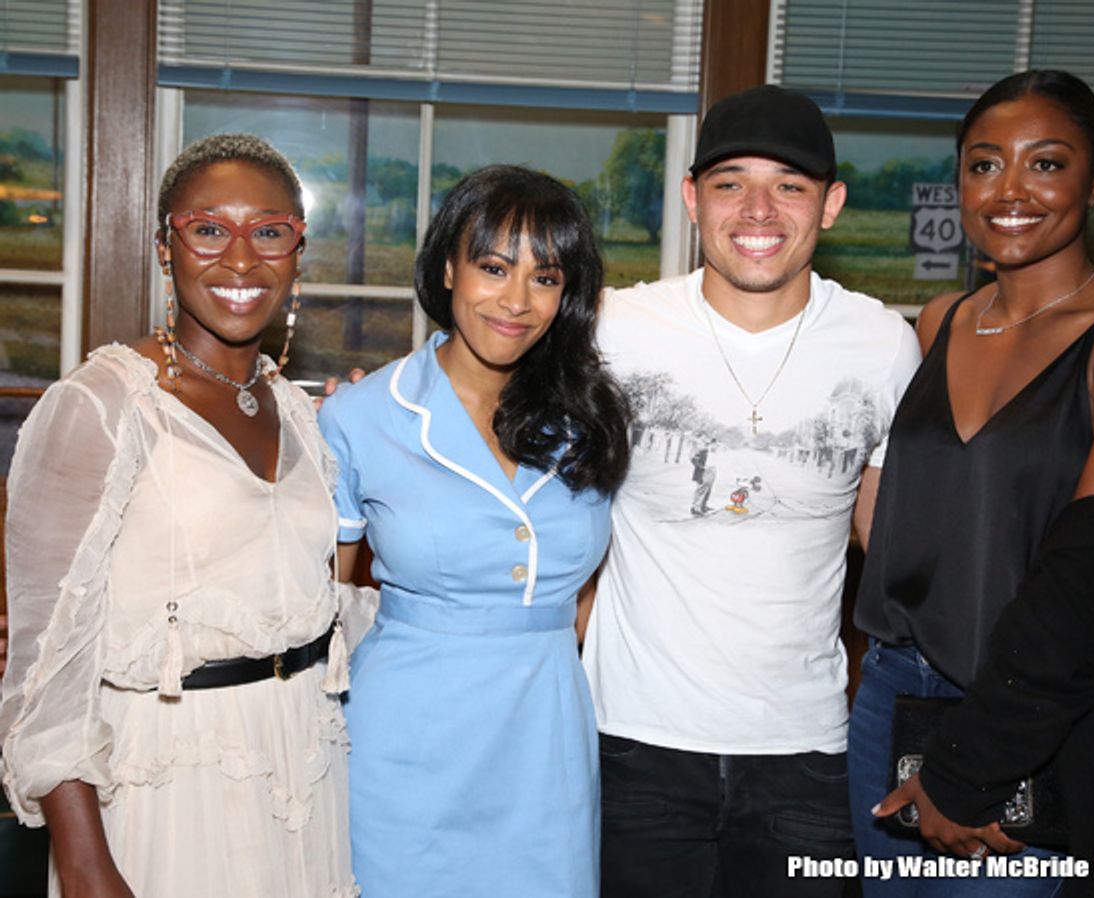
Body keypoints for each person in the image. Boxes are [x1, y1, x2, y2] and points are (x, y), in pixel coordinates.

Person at [850, 70, 1094, 897]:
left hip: (1033, 721)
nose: (1010, 191)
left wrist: (966, 769)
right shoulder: (939, 322)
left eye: (1045, 164)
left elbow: (1084, 584)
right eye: (983, 165)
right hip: (889, 699)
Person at [580, 84, 922, 897]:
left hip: (806, 754)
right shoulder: (611, 331)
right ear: (692, 198)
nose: (758, 209)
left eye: (790, 186)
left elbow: (897, 541)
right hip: (630, 743)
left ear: (830, 204)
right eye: (731, 183)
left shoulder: (884, 345)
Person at [0, 134, 361, 898]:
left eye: (269, 232)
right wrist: (90, 868)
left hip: (301, 763)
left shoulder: (294, 410)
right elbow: (43, 670)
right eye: (208, 229)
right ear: (167, 246)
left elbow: (312, 596)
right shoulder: (101, 405)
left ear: (298, 251)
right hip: (163, 783)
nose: (240, 259)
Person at [318, 165, 630, 898]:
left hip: (545, 742)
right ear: (449, 268)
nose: (516, 300)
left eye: (545, 277)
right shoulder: (361, 416)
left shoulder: (591, 418)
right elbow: (319, 603)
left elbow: (589, 594)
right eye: (493, 267)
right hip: (404, 742)